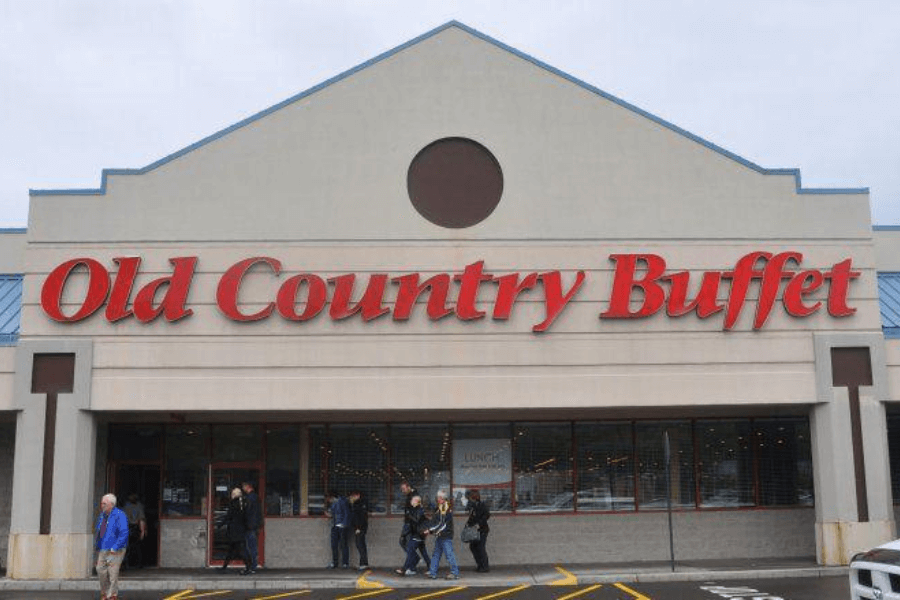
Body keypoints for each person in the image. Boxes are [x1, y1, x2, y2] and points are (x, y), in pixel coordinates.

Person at [95, 493, 129, 600]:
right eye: (101, 503)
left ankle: (112, 594)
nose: (102, 505)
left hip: (115, 549)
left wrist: (116, 546)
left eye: (104, 503)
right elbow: (99, 531)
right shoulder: (102, 515)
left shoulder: (119, 515)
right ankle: (104, 592)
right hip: (103, 547)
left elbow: (124, 533)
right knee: (100, 569)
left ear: (111, 504)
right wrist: (97, 546)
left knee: (113, 572)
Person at [426, 490, 460, 580]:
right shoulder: (441, 508)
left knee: (448, 554)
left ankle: (455, 573)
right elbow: (437, 522)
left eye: (438, 498)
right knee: (437, 554)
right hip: (441, 535)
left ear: (442, 498)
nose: (437, 499)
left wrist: (430, 530)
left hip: (445, 535)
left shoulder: (445, 508)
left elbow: (442, 524)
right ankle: (432, 572)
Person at [395, 494, 429, 576]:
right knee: (423, 552)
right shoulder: (415, 509)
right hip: (417, 534)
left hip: (417, 534)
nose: (411, 502)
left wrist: (410, 516)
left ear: (417, 502)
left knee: (410, 550)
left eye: (413, 500)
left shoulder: (419, 510)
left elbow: (416, 521)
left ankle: (404, 568)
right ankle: (430, 566)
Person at [219, 487, 249, 571]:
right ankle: (224, 567)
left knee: (235, 549)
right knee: (235, 549)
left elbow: (228, 516)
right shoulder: (243, 503)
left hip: (234, 530)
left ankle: (248, 566)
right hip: (241, 529)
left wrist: (220, 524)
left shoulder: (233, 504)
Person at [465, 489, 491, 572]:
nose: (469, 499)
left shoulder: (481, 505)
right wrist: (468, 524)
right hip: (474, 530)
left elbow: (487, 515)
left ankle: (484, 566)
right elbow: (471, 516)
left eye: (470, 497)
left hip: (482, 529)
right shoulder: (472, 506)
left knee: (480, 547)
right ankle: (480, 565)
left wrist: (478, 523)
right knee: (473, 547)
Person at [241, 481, 262, 575]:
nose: (243, 489)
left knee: (249, 547)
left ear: (247, 486)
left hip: (249, 526)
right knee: (252, 546)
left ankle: (251, 566)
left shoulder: (249, 498)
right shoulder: (256, 497)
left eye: (243, 487)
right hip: (254, 525)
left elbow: (247, 512)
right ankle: (253, 566)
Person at [325, 491, 351, 568]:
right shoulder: (334, 504)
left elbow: (347, 513)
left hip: (341, 526)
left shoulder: (342, 502)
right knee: (334, 545)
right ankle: (336, 562)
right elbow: (334, 514)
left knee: (343, 545)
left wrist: (344, 524)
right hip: (336, 525)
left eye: (328, 499)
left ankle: (344, 563)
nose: (328, 501)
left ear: (330, 497)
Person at [122, 492, 147, 569]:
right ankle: (137, 563)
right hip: (134, 527)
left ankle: (127, 563)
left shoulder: (126, 506)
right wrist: (143, 531)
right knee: (136, 546)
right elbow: (141, 519)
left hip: (129, 527)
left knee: (129, 547)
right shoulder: (138, 506)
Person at [349, 490, 369, 570]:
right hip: (361, 527)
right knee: (361, 545)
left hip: (360, 528)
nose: (352, 498)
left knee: (360, 545)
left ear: (358, 495)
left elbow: (359, 517)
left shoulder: (359, 504)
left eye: (353, 496)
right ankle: (363, 563)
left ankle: (363, 564)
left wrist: (358, 528)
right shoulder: (359, 504)